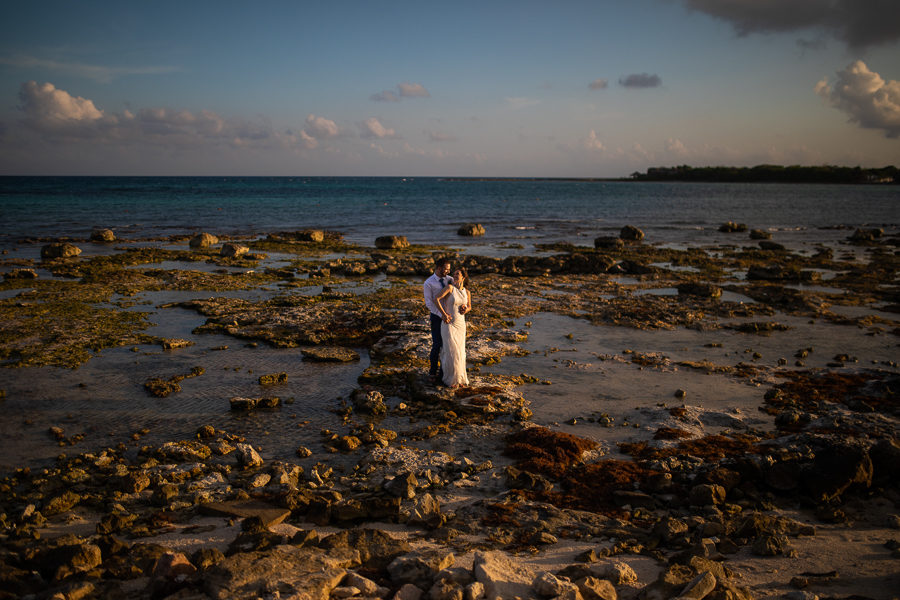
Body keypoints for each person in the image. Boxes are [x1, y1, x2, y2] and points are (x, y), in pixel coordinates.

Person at [435, 267, 471, 388]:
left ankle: (459, 379)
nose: (454, 276)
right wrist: (444, 314)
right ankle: (450, 379)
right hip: (449, 323)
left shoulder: (467, 292)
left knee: (460, 351)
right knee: (451, 351)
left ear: (463, 277)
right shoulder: (450, 288)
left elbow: (469, 306)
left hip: (461, 324)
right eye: (454, 274)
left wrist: (466, 309)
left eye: (457, 274)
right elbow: (436, 299)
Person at [423, 257, 453, 384]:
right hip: (436, 317)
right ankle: (432, 371)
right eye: (446, 269)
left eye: (449, 269)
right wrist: (441, 314)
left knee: (448, 345)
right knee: (437, 345)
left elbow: (459, 291)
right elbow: (429, 304)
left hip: (450, 317)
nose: (448, 271)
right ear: (439, 268)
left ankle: (444, 372)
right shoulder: (428, 283)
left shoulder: (450, 280)